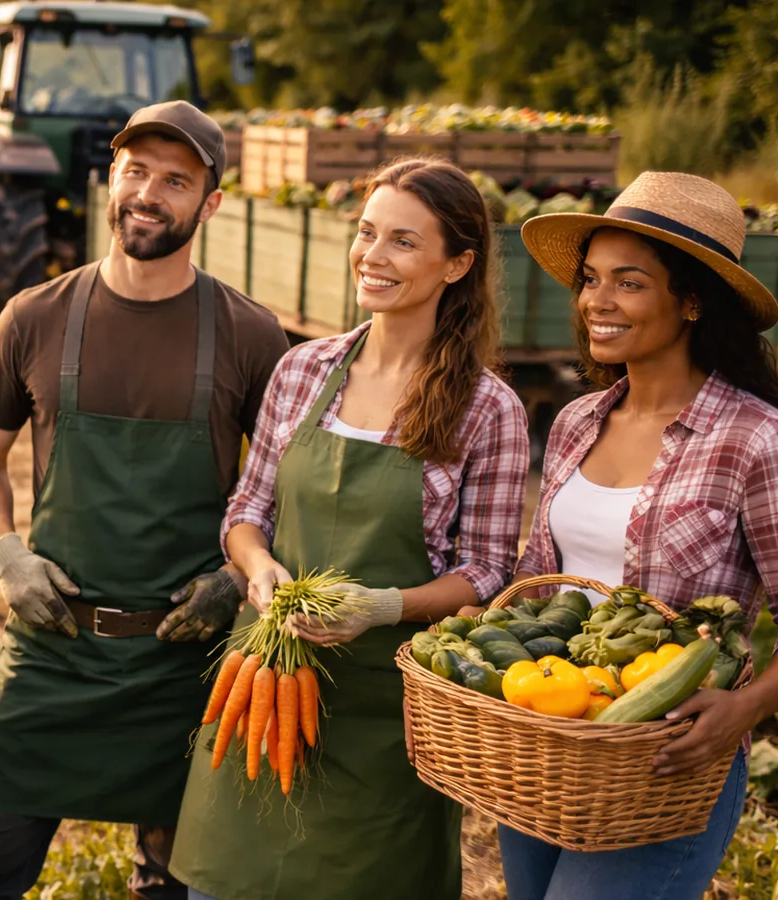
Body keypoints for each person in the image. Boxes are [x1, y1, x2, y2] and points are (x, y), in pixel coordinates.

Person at [0, 100, 290, 900]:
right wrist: (5, 552)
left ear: (211, 205)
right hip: (53, 650)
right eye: (136, 171)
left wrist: (238, 581)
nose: (148, 192)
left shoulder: (249, 334)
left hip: (186, 663)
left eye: (176, 180)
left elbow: (283, 488)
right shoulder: (34, 316)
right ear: (111, 179)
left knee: (170, 886)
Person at [168, 157, 530, 900]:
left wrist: (384, 607)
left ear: (457, 264)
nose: (373, 255)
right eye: (366, 233)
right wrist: (258, 567)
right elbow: (248, 512)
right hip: (264, 687)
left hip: (389, 715)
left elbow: (491, 571)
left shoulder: (489, 409)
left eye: (403, 241)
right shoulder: (303, 371)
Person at [496, 171, 778, 900]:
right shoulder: (575, 422)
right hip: (551, 739)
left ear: (690, 301)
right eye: (591, 279)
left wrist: (746, 707)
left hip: (666, 766)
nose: (598, 301)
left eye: (629, 282)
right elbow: (540, 578)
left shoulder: (754, 440)